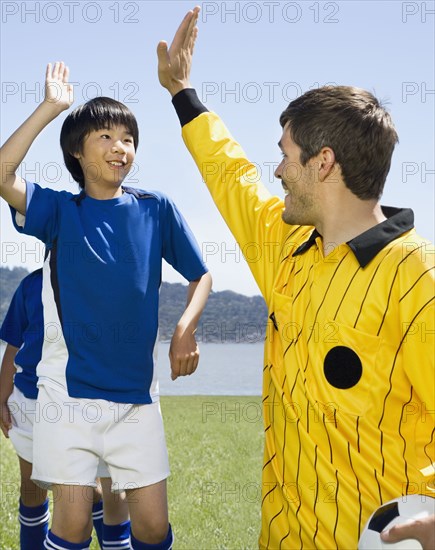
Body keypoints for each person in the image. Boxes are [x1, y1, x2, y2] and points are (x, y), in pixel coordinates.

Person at [157, 7, 435, 550]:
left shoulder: (415, 273)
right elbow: (230, 174)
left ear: (323, 162)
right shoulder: (286, 248)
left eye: (285, 155)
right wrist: (182, 93)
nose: (278, 170)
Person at [0, 60, 212, 550]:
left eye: (129, 139)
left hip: (137, 399)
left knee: (154, 528)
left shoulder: (154, 208)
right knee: (71, 527)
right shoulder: (58, 211)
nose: (121, 148)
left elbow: (201, 275)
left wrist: (185, 328)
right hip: (66, 400)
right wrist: (51, 107)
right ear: (77, 150)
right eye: (106, 136)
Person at [0, 268, 131, 549]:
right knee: (32, 487)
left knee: (95, 492)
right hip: (32, 402)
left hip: (90, 401)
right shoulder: (31, 286)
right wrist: (2, 395)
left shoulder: (103, 280)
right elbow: (14, 344)